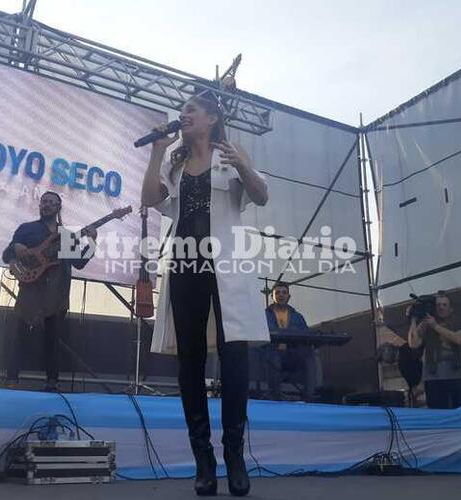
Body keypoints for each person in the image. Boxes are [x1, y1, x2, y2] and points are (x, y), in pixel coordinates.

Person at [142, 91, 269, 497]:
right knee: (190, 360)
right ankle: (204, 461)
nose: (184, 116)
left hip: (226, 263)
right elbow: (149, 200)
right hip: (185, 264)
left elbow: (260, 195)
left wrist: (245, 167)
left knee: (234, 358)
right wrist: (156, 151)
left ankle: (235, 455)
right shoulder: (175, 161)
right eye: (182, 112)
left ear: (213, 117)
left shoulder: (230, 152)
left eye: (191, 110)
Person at [2, 191, 96, 392]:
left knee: (53, 340)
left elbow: (79, 263)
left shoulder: (67, 237)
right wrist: (17, 247)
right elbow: (7, 255)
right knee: (19, 337)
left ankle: (51, 382)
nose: (47, 205)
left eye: (51, 202)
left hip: (56, 295)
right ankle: (12, 379)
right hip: (30, 292)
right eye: (44, 201)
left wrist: (92, 242)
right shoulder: (27, 230)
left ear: (58, 208)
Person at [408, 291, 461, 409]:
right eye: (438, 305)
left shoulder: (458, 321)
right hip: (433, 379)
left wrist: (435, 326)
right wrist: (413, 319)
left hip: (458, 376)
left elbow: (459, 339)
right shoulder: (427, 323)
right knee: (439, 413)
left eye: (444, 305)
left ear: (451, 308)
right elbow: (413, 343)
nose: (441, 308)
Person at [262, 283, 319, 401]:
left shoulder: (297, 316)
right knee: (273, 357)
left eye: (284, 292)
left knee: (310, 355)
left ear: (289, 296)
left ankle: (309, 395)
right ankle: (275, 394)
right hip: (270, 354)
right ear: (272, 297)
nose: (281, 295)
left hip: (291, 354)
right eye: (277, 293)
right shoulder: (264, 315)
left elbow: (305, 335)